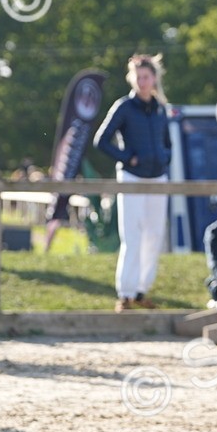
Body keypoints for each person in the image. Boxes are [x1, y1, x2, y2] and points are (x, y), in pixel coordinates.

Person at [94, 55, 172, 313]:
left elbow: (167, 142)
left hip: (158, 177)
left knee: (154, 236)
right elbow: (101, 140)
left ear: (154, 78)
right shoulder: (124, 107)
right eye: (138, 77)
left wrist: (164, 158)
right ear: (132, 79)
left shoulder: (161, 108)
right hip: (132, 177)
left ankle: (141, 290)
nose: (142, 81)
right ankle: (125, 294)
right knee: (132, 235)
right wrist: (129, 158)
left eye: (146, 77)